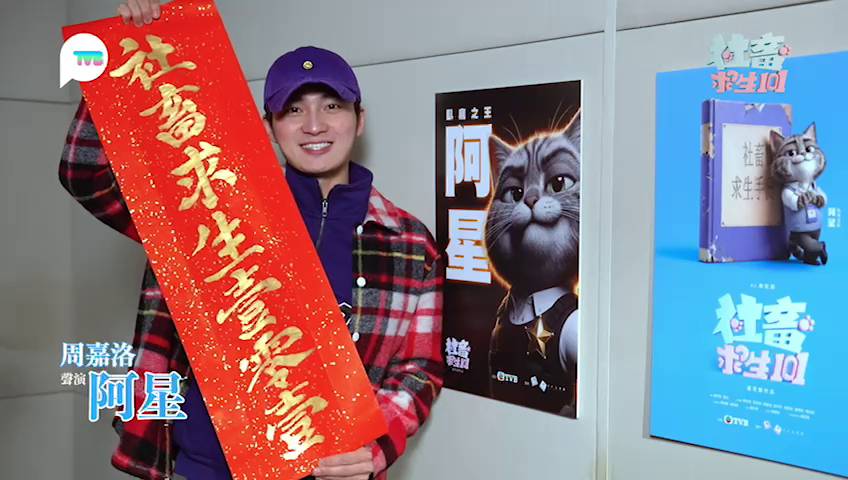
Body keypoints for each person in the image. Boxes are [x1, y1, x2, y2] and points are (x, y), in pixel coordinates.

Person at [59, 2, 445, 479]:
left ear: (358, 119)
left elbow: (419, 368)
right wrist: (120, 52)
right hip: (204, 465)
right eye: (293, 110)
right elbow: (86, 176)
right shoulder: (212, 206)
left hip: (323, 471)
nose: (314, 125)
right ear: (269, 127)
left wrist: (376, 446)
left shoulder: (408, 242)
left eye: (332, 106)